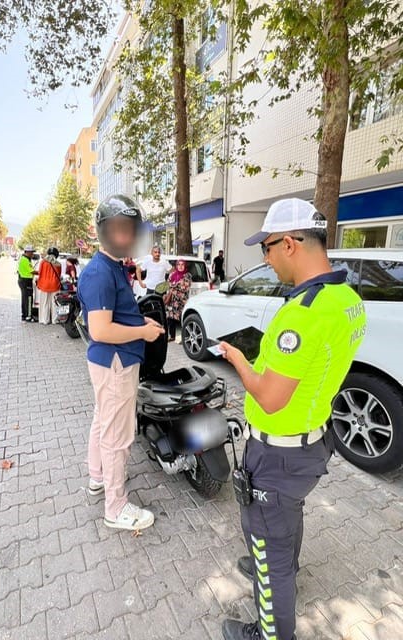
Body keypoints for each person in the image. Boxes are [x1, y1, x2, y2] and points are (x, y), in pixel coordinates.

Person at [220, 198, 366, 640]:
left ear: (289, 243)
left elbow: (268, 398)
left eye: (266, 248)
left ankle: (271, 629)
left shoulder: (302, 314)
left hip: (278, 454)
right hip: (313, 441)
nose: (264, 259)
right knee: (289, 517)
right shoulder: (347, 298)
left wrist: (237, 359)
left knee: (269, 545)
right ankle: (277, 556)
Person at [77, 194, 165, 531]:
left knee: (102, 421)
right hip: (115, 362)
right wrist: (142, 331)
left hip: (110, 362)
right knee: (118, 436)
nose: (126, 236)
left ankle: (97, 477)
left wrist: (140, 325)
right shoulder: (100, 272)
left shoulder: (113, 266)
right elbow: (100, 329)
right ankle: (115, 508)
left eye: (130, 229)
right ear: (104, 231)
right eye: (119, 229)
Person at [164, 259, 192, 342]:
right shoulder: (172, 274)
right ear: (176, 266)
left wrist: (173, 287)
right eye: (178, 264)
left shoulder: (187, 275)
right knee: (170, 318)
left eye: (182, 265)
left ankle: (187, 337)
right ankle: (172, 336)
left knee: (183, 319)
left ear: (185, 266)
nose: (180, 266)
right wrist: (172, 288)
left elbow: (184, 287)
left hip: (182, 301)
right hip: (172, 301)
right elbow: (168, 284)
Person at [37, 247, 62, 325]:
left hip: (44, 285)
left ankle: (45, 320)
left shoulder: (43, 262)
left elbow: (40, 273)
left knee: (44, 303)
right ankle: (55, 320)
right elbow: (59, 275)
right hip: (55, 285)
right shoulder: (58, 264)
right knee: (54, 303)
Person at [17, 245, 37, 322]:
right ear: (27, 252)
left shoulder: (25, 259)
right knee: (29, 299)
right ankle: (28, 316)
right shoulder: (25, 260)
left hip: (23, 280)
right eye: (32, 252)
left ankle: (24, 315)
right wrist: (42, 272)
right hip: (26, 281)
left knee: (24, 299)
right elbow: (32, 271)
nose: (33, 254)